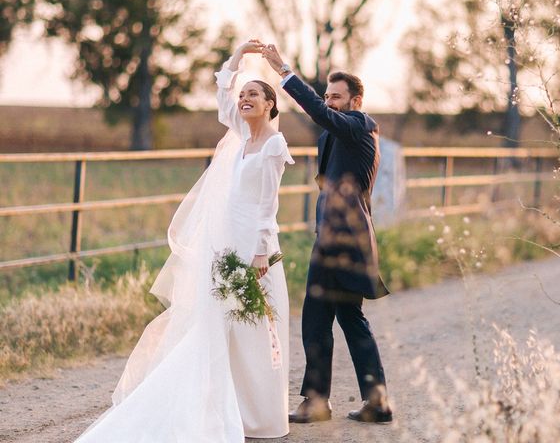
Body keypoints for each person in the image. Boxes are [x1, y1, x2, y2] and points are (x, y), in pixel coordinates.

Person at [75, 40, 294, 442]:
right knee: (221, 329)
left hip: (256, 250)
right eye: (243, 94)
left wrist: (261, 251)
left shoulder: (273, 145)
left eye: (254, 94)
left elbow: (268, 203)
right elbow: (223, 95)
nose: (244, 99)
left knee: (258, 331)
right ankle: (221, 408)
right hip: (225, 248)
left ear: (270, 105)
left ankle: (259, 417)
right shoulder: (239, 139)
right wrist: (239, 55)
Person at [262, 44, 393, 424]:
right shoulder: (331, 138)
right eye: (327, 96)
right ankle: (376, 402)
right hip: (334, 238)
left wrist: (284, 72)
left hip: (346, 240)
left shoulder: (360, 126)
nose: (329, 102)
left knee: (322, 319)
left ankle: (320, 402)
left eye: (337, 96)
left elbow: (320, 115)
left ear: (356, 100)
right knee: (344, 318)